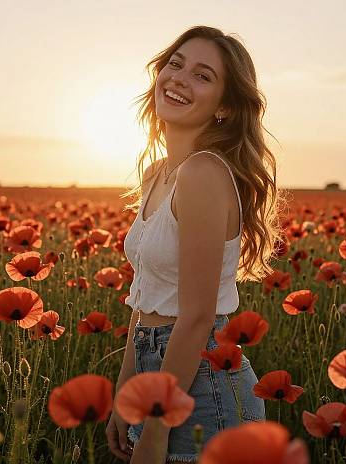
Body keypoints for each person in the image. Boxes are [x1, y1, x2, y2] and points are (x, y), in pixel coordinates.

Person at [106, 25, 286, 463]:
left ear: (225, 106)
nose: (180, 78)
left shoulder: (204, 173)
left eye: (203, 75)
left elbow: (197, 316)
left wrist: (155, 426)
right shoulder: (158, 175)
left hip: (205, 388)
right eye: (176, 64)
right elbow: (145, 298)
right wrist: (125, 394)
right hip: (162, 373)